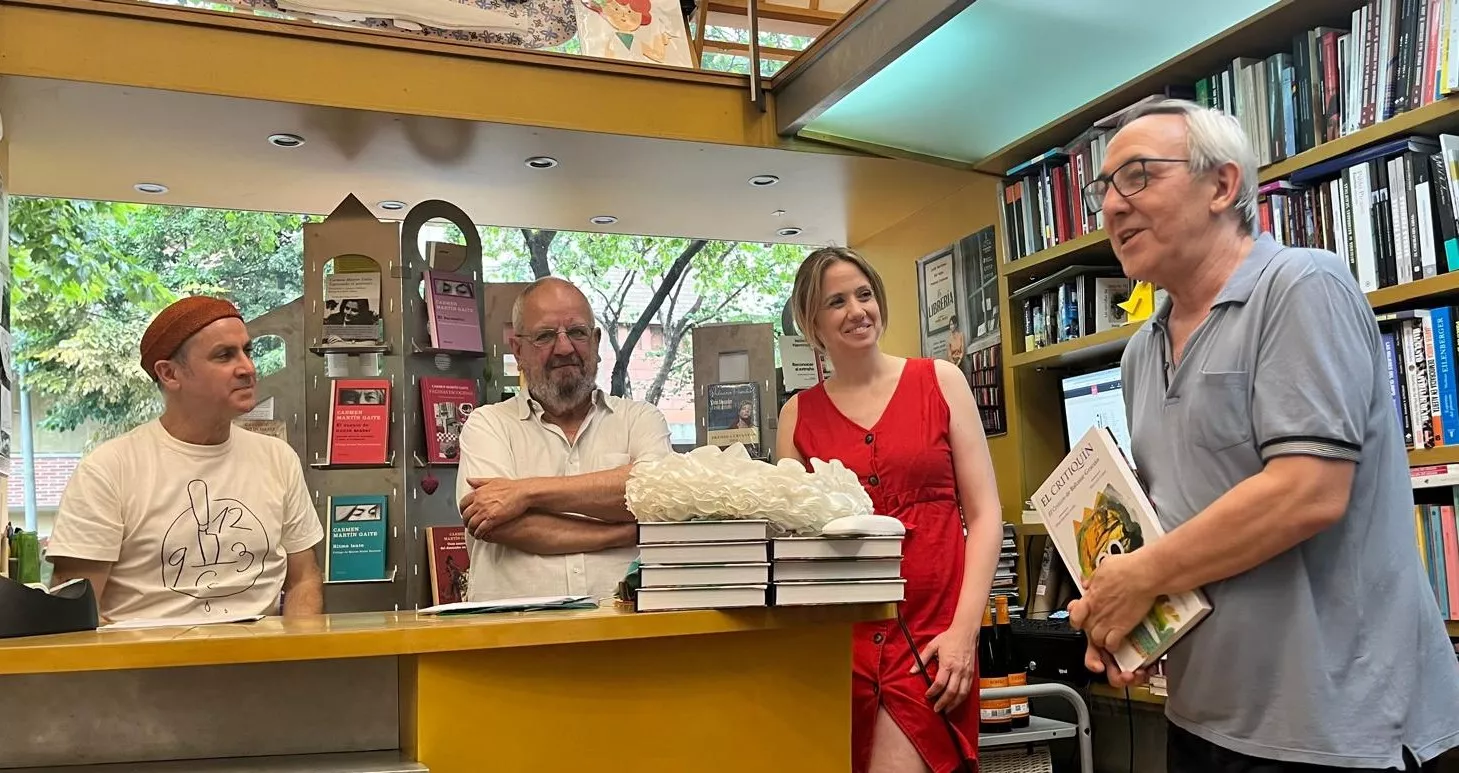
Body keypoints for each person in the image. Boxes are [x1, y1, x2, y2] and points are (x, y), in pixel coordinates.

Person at [1068, 98, 1459, 772]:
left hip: (1326, 731)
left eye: (1137, 176)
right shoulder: (1138, 353)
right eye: (1102, 188)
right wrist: (1125, 619)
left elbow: (1306, 491)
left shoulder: (1301, 284)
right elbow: (1177, 529)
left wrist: (1140, 577)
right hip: (1198, 716)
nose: (1111, 205)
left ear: (1221, 185)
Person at [775, 247, 1004, 773]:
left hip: (934, 642)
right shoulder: (797, 416)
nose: (857, 310)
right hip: (839, 652)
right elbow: (791, 547)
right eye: (836, 301)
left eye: (864, 294)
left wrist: (964, 633)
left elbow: (986, 515)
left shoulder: (941, 381)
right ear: (812, 322)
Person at [47, 296, 325, 623]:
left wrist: (297, 657)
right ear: (169, 374)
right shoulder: (109, 469)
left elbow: (303, 578)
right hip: (146, 667)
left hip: (261, 665)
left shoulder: (278, 458)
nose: (248, 368)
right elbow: (77, 610)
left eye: (247, 352)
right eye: (224, 355)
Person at [455, 277, 672, 602]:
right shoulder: (488, 425)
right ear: (517, 348)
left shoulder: (641, 419)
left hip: (630, 637)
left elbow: (656, 496)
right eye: (545, 336)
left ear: (595, 341)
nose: (565, 348)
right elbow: (494, 522)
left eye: (577, 332)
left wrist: (524, 492)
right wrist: (624, 531)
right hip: (513, 639)